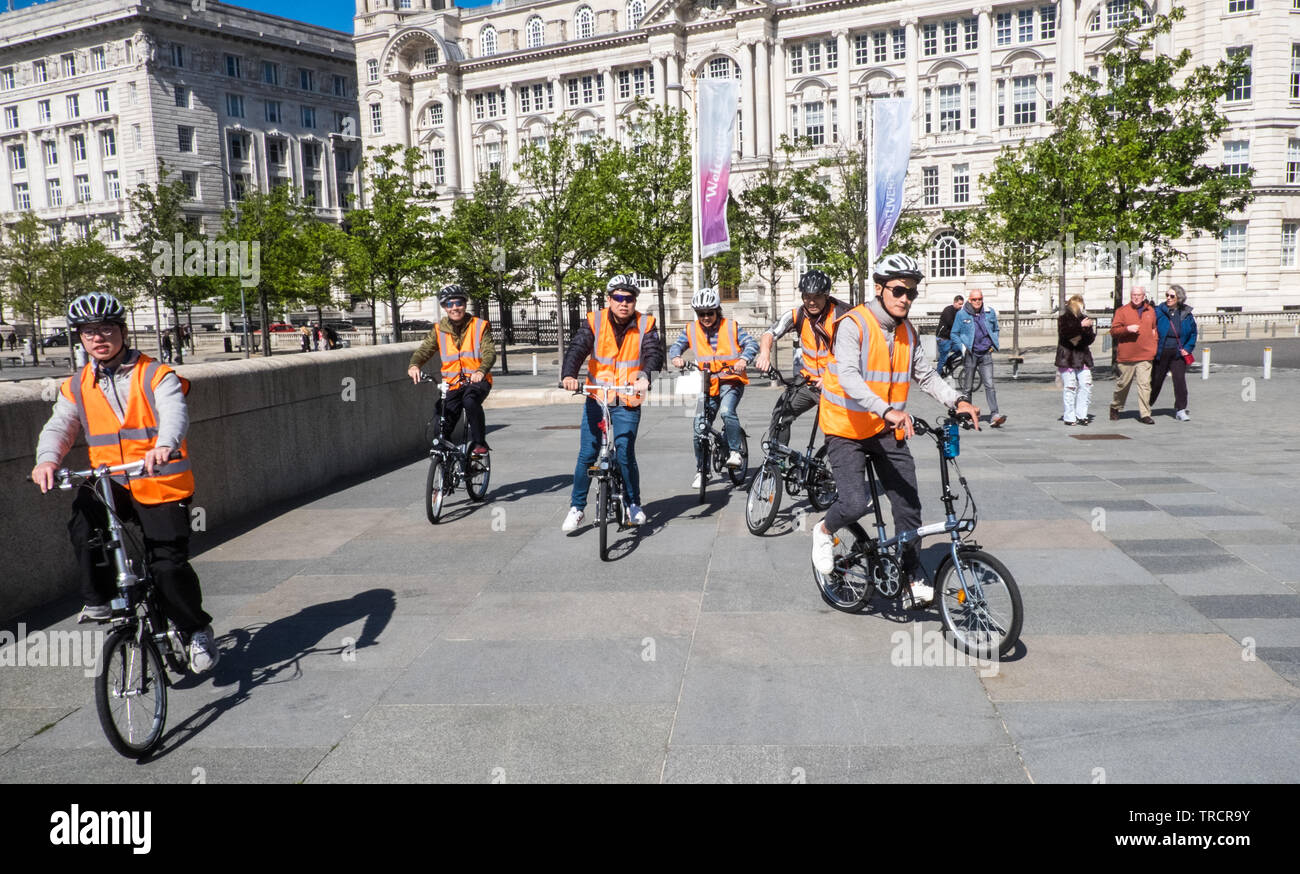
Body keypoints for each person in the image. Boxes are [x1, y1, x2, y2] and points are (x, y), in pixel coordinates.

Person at [30, 292, 218, 672]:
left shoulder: (155, 374)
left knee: (167, 565)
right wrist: (46, 460)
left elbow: (173, 413)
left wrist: (164, 445)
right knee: (84, 521)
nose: (98, 338)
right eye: (88, 332)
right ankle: (99, 597)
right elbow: (60, 426)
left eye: (106, 329)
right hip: (112, 481)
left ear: (123, 331)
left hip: (160, 479)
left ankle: (196, 629)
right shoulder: (78, 385)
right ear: (80, 338)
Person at [811, 254, 981, 605]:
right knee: (855, 502)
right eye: (899, 290)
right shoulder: (853, 324)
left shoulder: (907, 331)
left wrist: (957, 400)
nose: (905, 298)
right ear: (879, 288)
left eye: (912, 293)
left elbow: (927, 375)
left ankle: (910, 572)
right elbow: (848, 377)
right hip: (845, 426)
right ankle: (824, 530)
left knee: (908, 505)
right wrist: (887, 410)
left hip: (887, 428)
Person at [559, 274, 664, 531]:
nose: (623, 303)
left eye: (629, 298)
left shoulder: (645, 323)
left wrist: (645, 376)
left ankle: (633, 504)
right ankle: (577, 508)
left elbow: (653, 353)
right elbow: (578, 348)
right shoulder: (594, 321)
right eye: (618, 297)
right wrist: (569, 375)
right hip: (599, 396)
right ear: (609, 299)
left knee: (625, 450)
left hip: (628, 396)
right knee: (588, 453)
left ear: (634, 301)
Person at [752, 269, 852, 448]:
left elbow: (854, 353)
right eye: (807, 296)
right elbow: (769, 333)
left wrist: (831, 378)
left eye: (817, 297)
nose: (811, 302)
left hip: (836, 384)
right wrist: (765, 354)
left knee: (837, 431)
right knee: (781, 414)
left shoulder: (842, 315)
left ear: (827, 295)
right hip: (808, 382)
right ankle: (778, 462)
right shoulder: (798, 315)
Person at [669, 286, 758, 487]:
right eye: (702, 314)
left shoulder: (731, 326)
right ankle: (702, 470)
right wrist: (676, 357)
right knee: (698, 427)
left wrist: (744, 359)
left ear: (717, 311)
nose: (706, 317)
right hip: (707, 383)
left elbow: (752, 344)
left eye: (710, 313)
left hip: (731, 380)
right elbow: (677, 346)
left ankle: (735, 452)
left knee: (727, 412)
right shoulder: (691, 329)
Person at [407, 285, 494, 455]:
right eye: (449, 304)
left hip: (477, 381)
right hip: (452, 384)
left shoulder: (479, 326)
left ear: (465, 304)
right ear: (444, 307)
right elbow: (425, 350)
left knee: (470, 401)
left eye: (459, 303)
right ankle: (443, 455)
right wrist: (414, 365)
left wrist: (481, 370)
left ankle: (479, 442)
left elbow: (489, 352)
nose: (455, 308)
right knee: (443, 414)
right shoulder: (439, 329)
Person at [949, 290, 1006, 427]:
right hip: (971, 353)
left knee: (990, 385)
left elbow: (996, 329)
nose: (977, 301)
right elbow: (954, 333)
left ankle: (995, 415)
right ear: (969, 300)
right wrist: (963, 348)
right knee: (968, 387)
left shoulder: (989, 312)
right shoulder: (962, 314)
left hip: (986, 352)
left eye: (979, 298)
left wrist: (993, 344)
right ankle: (967, 415)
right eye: (974, 299)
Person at [1108, 287, 1158, 424]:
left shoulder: (1150, 311)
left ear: (1143, 296)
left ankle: (1145, 414)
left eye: (1139, 295)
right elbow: (1113, 331)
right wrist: (1127, 329)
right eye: (1133, 295)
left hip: (1145, 354)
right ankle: (1115, 406)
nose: (1136, 297)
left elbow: (1154, 329)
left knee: (1145, 385)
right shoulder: (1122, 311)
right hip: (1127, 355)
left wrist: (1154, 345)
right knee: (1123, 384)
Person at [1151, 284, 1197, 421]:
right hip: (1161, 351)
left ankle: (1181, 409)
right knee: (1156, 381)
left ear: (1179, 298)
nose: (1168, 298)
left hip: (1178, 353)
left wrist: (1187, 348)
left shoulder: (1186, 314)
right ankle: (1147, 405)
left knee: (1180, 381)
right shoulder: (1158, 311)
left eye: (1172, 296)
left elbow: (1193, 333)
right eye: (1167, 295)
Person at [1056, 294, 1096, 426]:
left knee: (1086, 384)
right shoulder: (1063, 319)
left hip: (1082, 356)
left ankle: (1082, 414)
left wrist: (1088, 328)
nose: (1081, 308)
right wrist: (1080, 326)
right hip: (1067, 357)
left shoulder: (1085, 319)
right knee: (1070, 386)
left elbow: (1089, 339)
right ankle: (1069, 416)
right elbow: (1066, 335)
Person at [935, 294, 964, 373]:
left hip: (951, 338)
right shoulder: (948, 310)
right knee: (943, 358)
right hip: (943, 338)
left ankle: (949, 360)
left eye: (962, 304)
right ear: (954, 302)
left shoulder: (959, 312)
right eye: (959, 304)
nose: (961, 306)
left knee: (962, 350)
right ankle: (938, 374)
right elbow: (951, 323)